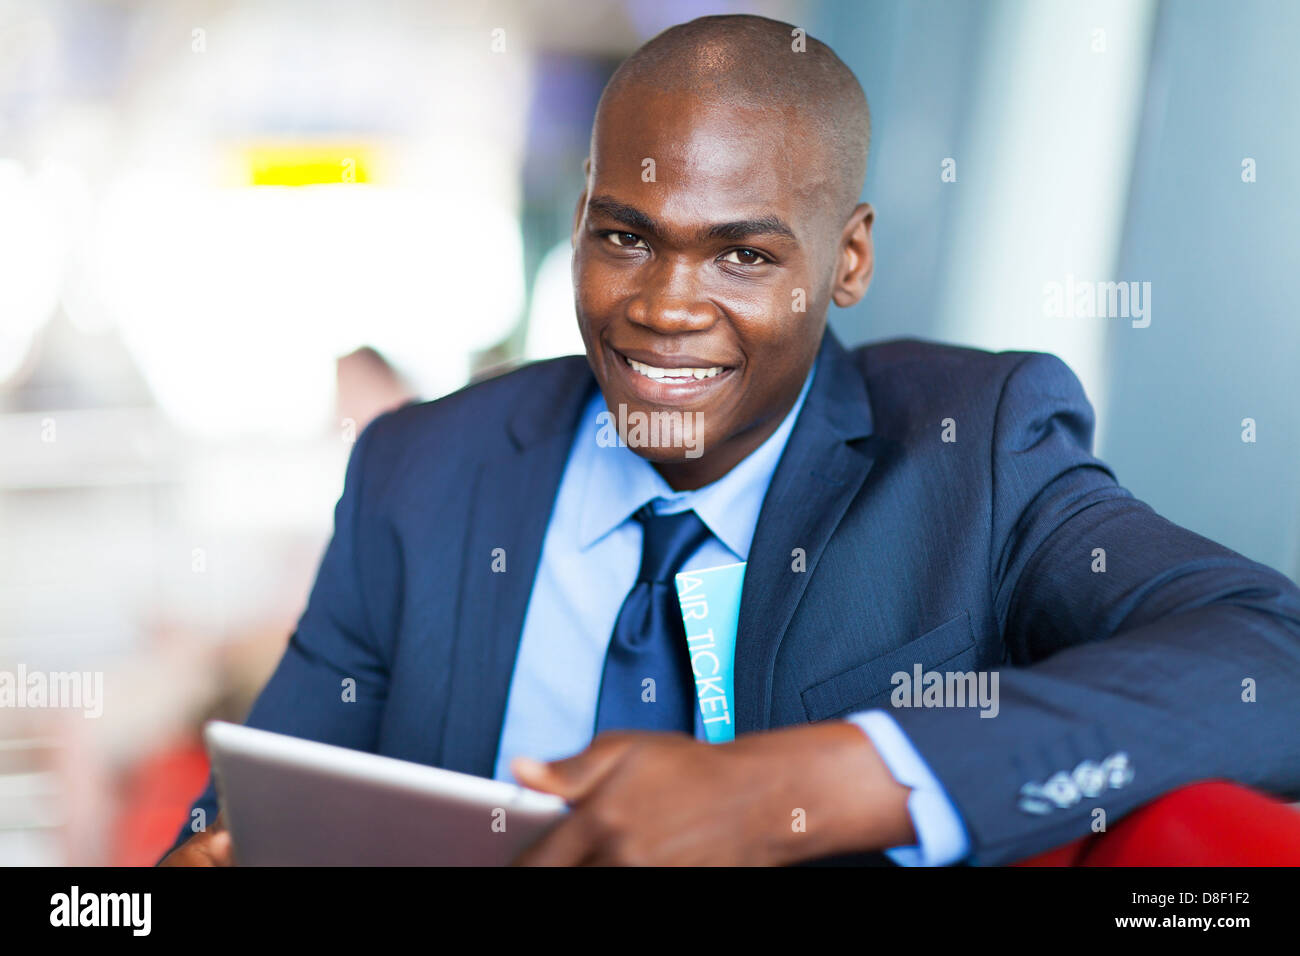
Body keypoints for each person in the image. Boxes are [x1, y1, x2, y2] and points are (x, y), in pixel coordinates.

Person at [161, 14, 1300, 867]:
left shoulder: (974, 453)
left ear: (847, 260)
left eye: (743, 256)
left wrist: (803, 783)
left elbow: (1271, 664)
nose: (663, 304)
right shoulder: (422, 469)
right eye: (627, 236)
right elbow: (251, 812)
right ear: (582, 224)